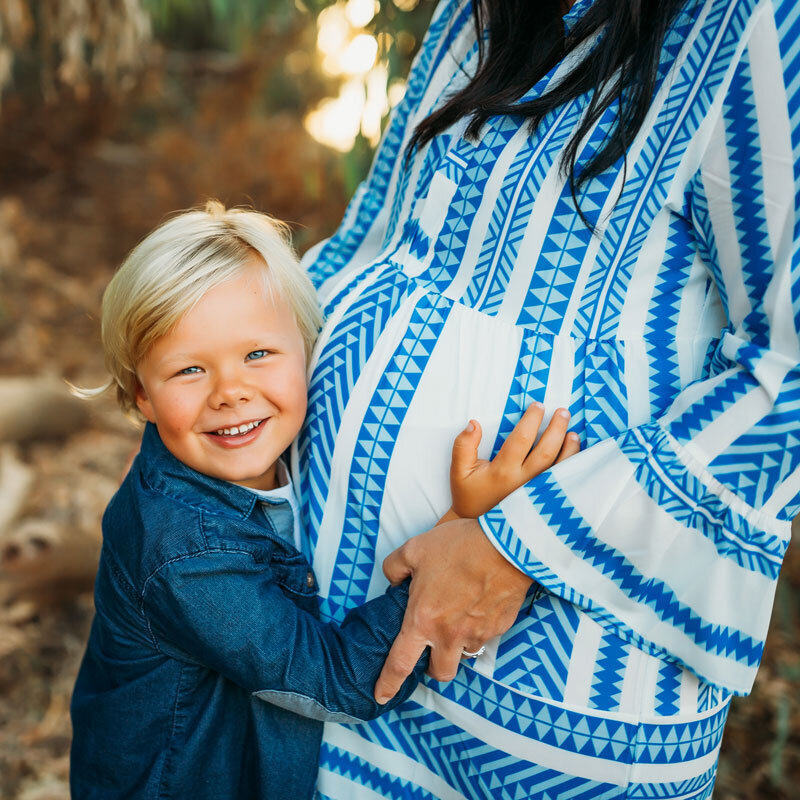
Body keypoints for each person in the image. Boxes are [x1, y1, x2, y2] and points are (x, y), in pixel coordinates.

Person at [298, 0, 800, 796]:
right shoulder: (478, 12)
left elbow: (785, 372)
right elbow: (375, 236)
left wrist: (513, 546)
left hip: (550, 689)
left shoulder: (754, 22)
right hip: (340, 637)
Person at [68, 202, 579, 799]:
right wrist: (465, 524)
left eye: (257, 354)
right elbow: (336, 682)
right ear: (143, 399)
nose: (231, 391)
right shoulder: (184, 553)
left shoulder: (229, 461)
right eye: (189, 370)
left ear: (309, 349)